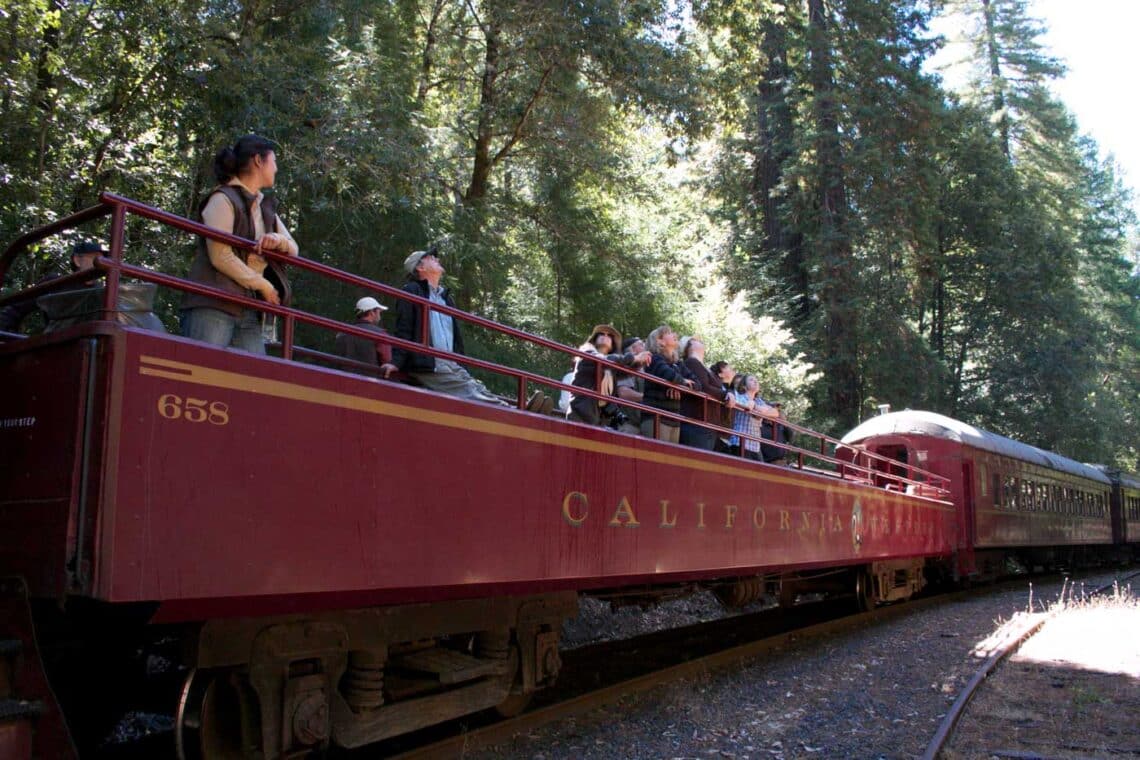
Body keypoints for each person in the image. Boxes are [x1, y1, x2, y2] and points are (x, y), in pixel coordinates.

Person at [180, 134, 299, 354]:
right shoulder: (222, 199)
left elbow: (294, 248)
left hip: (247, 307)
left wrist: (278, 240)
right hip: (213, 304)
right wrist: (264, 285)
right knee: (200, 373)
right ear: (258, 161)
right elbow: (220, 256)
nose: (276, 169)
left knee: (255, 380)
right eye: (274, 162)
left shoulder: (264, 206)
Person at [393, 246, 526, 408]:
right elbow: (403, 328)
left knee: (477, 387)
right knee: (469, 391)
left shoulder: (447, 299)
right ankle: (515, 411)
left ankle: (521, 409)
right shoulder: (411, 291)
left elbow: (456, 338)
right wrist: (396, 362)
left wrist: (460, 362)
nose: (437, 259)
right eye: (431, 258)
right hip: (428, 364)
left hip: (451, 363)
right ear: (420, 268)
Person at [0, 241, 102, 332]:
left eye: (104, 258)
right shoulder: (57, 283)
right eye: (96, 257)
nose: (102, 262)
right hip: (58, 344)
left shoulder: (104, 291)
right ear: (77, 260)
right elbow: (16, 309)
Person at [566, 324, 650, 427]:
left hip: (599, 421)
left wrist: (641, 362)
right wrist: (635, 358)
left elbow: (626, 372)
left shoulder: (611, 368)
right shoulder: (587, 353)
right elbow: (603, 360)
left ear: (613, 343)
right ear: (594, 338)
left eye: (609, 335)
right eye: (601, 334)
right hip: (580, 417)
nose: (605, 336)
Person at [640, 324, 696, 443]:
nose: (675, 334)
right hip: (656, 417)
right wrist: (681, 382)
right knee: (655, 459)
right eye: (669, 333)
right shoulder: (654, 359)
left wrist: (678, 386)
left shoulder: (678, 363)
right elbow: (669, 375)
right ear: (660, 341)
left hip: (674, 419)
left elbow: (697, 384)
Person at [679, 336, 733, 451]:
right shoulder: (692, 362)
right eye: (696, 340)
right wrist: (725, 395)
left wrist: (727, 393)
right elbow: (703, 386)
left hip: (706, 424)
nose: (700, 340)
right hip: (697, 423)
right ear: (689, 346)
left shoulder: (703, 367)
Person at [334, 296, 398, 378]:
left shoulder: (342, 334)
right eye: (379, 312)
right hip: (370, 384)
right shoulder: (380, 334)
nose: (380, 316)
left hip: (341, 382)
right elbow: (388, 361)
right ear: (372, 312)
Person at [612, 336, 647, 435]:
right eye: (641, 344)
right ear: (632, 350)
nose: (644, 346)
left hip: (643, 424)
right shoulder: (627, 368)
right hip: (629, 425)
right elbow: (623, 393)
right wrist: (648, 397)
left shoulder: (646, 368)